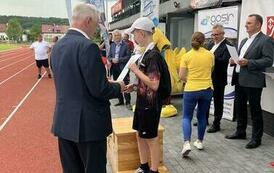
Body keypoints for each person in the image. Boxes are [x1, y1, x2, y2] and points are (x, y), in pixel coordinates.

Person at [50, 4, 125, 173]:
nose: (97, 29)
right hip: (89, 126)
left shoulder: (57, 47)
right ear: (88, 20)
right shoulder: (88, 46)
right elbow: (100, 90)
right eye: (97, 23)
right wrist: (118, 87)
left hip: (64, 123)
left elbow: (70, 81)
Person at [225, 14, 273, 149]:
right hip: (240, 79)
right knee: (240, 108)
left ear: (258, 25)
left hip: (253, 81)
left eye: (249, 23)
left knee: (255, 110)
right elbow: (240, 58)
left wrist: (249, 62)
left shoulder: (266, 40)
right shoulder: (244, 40)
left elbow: (269, 60)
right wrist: (233, 61)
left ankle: (256, 138)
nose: (246, 25)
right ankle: (240, 132)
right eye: (246, 23)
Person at [124, 17, 163, 173]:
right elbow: (147, 81)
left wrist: (135, 70)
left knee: (151, 138)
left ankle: (153, 170)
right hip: (143, 102)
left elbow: (154, 84)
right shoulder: (147, 53)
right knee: (140, 135)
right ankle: (144, 166)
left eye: (134, 34)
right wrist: (134, 86)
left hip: (150, 104)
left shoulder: (153, 55)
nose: (134, 38)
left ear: (141, 33)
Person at [179, 32, 214, 157]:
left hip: (191, 89)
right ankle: (199, 141)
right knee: (202, 116)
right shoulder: (210, 55)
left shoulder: (187, 56)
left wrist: (191, 80)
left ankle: (187, 142)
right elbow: (211, 70)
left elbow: (181, 76)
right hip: (207, 89)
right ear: (204, 41)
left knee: (186, 117)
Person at [206, 24, 232, 133]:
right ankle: (204, 119)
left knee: (218, 102)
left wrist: (210, 57)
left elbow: (224, 60)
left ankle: (216, 124)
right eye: (213, 34)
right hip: (207, 78)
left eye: (216, 34)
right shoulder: (210, 44)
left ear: (222, 34)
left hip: (218, 78)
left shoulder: (228, 45)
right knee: (205, 100)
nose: (214, 37)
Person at [108, 30, 131, 108]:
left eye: (118, 35)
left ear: (121, 36)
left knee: (125, 83)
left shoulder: (126, 45)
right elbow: (109, 56)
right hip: (115, 68)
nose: (116, 37)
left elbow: (128, 57)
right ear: (113, 37)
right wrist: (112, 60)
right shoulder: (112, 45)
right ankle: (120, 100)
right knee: (117, 84)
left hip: (123, 68)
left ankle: (128, 102)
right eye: (115, 35)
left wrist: (119, 60)